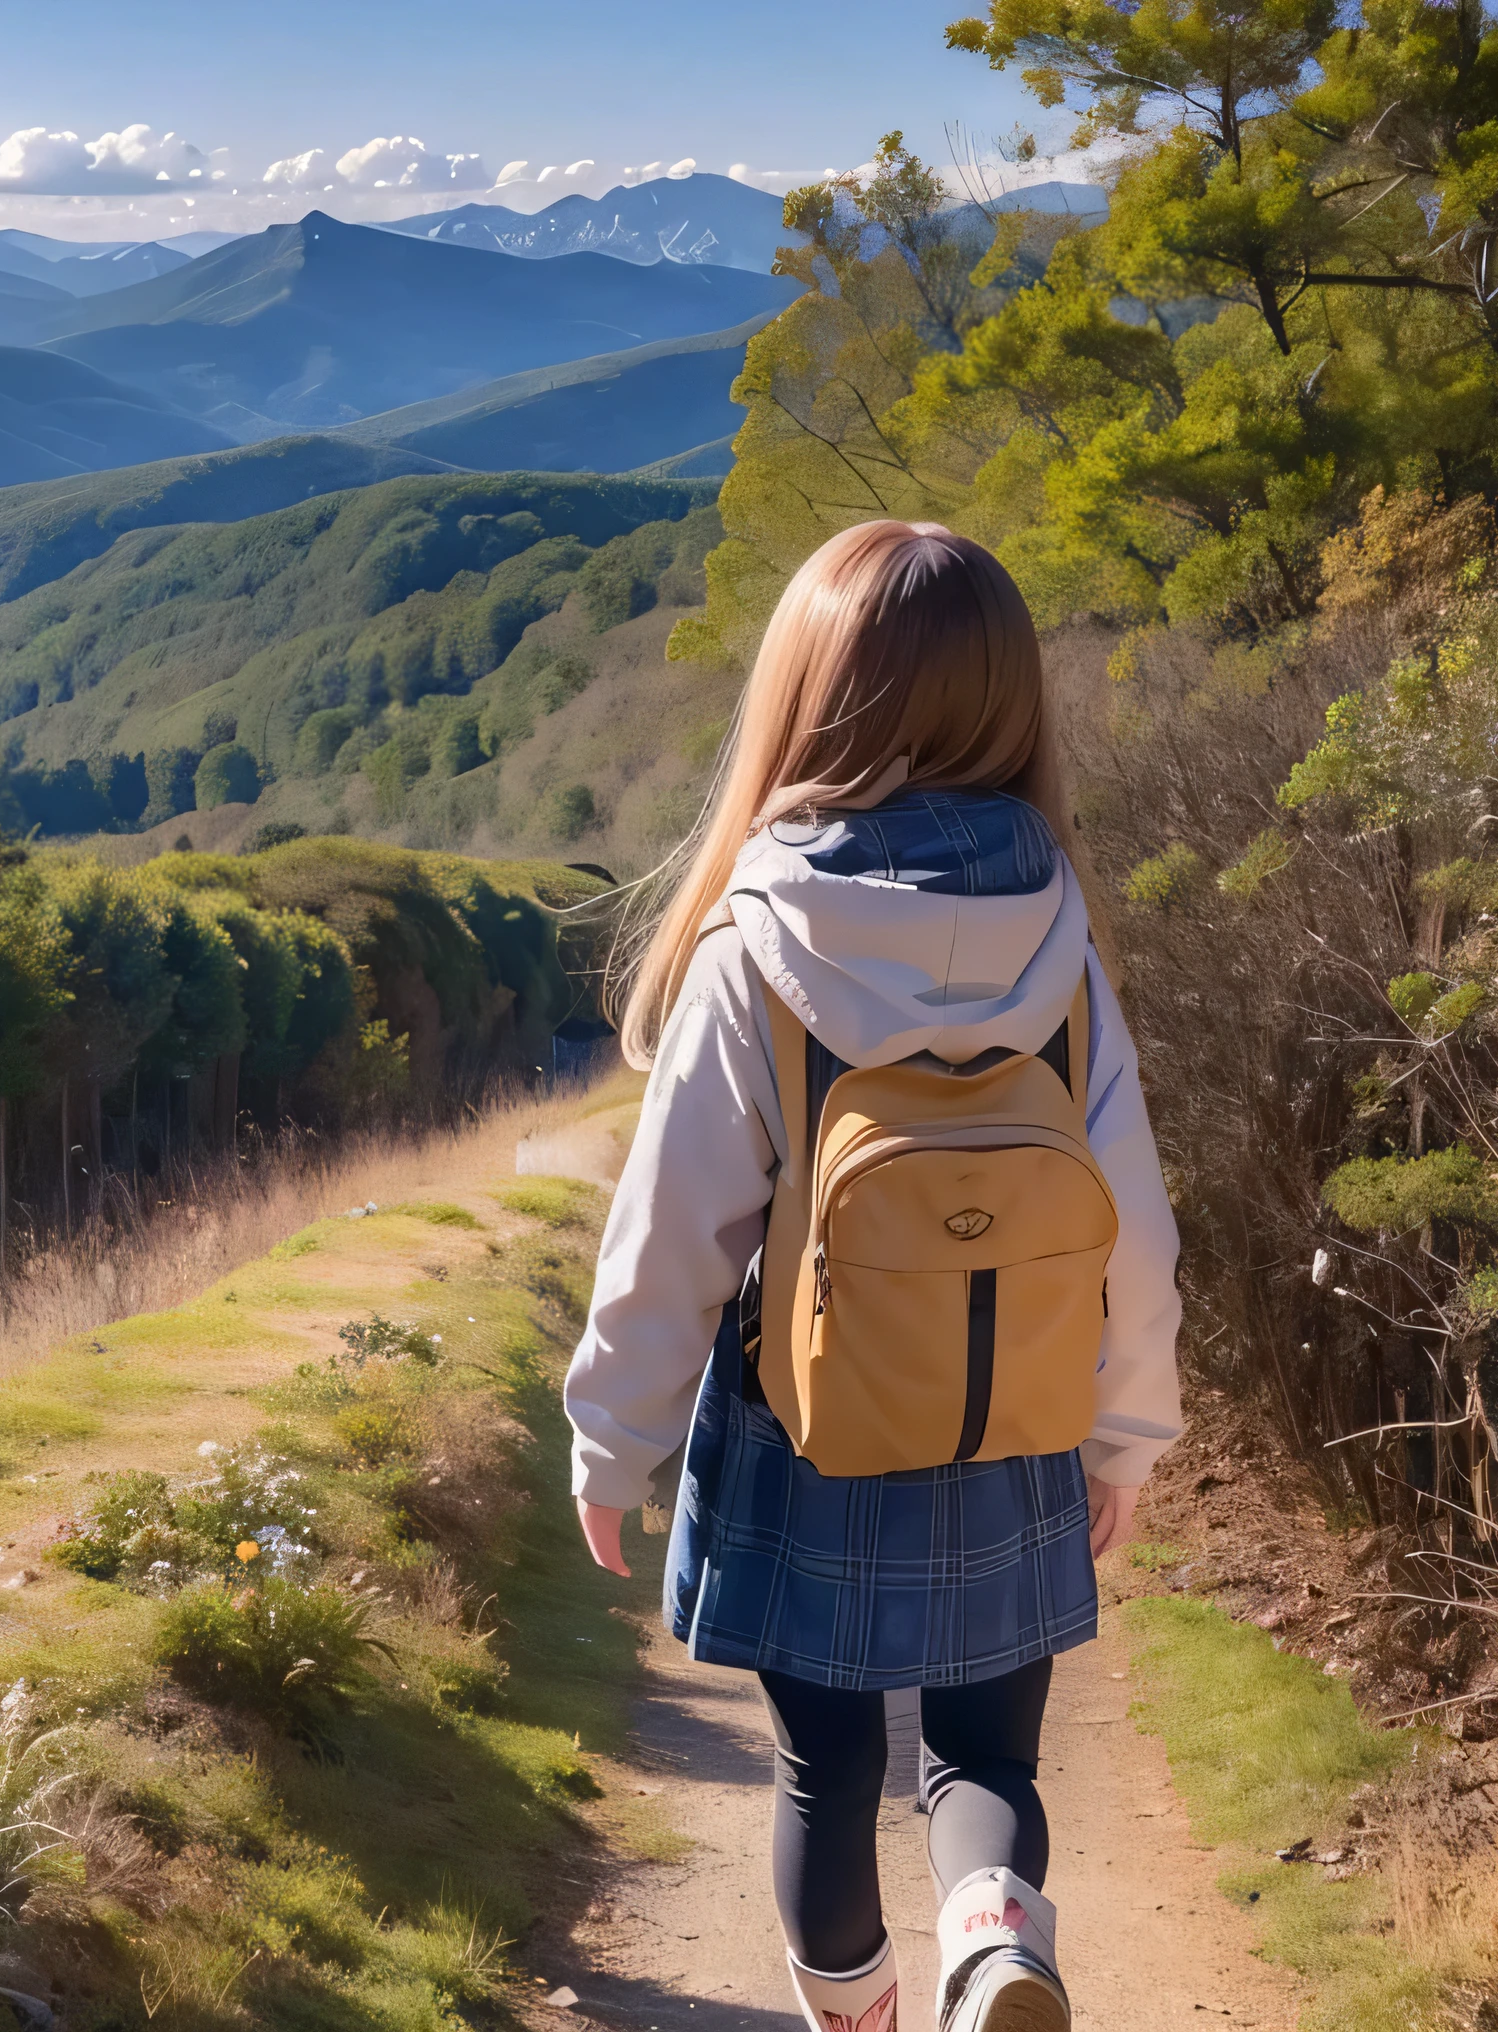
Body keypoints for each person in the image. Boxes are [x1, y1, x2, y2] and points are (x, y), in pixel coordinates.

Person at [564, 521, 1181, 2032]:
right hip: (1017, 1423)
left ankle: (866, 2017)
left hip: (806, 1429)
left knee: (824, 1770)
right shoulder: (1060, 935)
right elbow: (1133, 1222)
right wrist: (1128, 1432)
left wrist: (615, 1440)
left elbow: (675, 1232)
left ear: (805, 695)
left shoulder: (758, 943)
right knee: (986, 1761)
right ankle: (994, 1939)